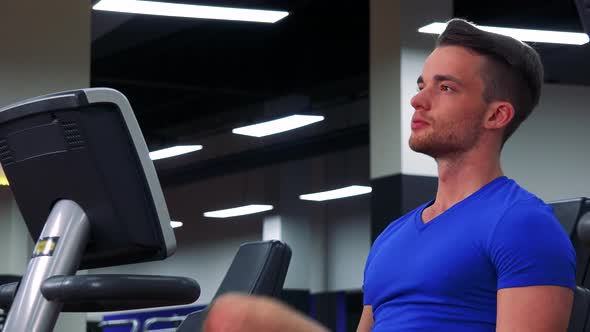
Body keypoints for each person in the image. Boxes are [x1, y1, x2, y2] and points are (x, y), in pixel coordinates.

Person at [203, 18, 576, 332]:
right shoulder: (393, 236)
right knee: (233, 316)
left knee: (239, 315)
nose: (418, 100)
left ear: (496, 116)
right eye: (421, 85)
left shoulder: (522, 223)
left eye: (445, 87)